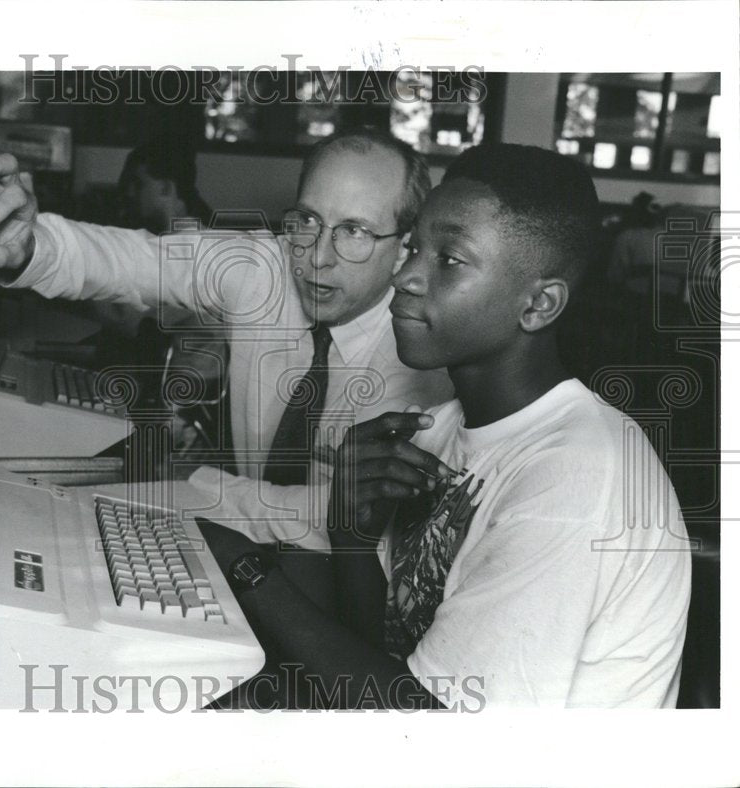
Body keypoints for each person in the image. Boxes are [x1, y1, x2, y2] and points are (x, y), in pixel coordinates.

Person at [196, 143, 692, 709]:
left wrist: (246, 569)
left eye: (448, 259)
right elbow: (383, 657)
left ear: (539, 304)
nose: (405, 277)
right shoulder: (437, 428)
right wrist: (351, 537)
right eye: (412, 249)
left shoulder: (576, 475)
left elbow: (436, 738)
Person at [0, 123, 453, 554]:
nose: (318, 256)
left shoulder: (424, 355)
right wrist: (29, 243)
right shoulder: (263, 266)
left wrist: (195, 493)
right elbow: (131, 260)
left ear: (406, 245)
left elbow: (343, 516)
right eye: (309, 221)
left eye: (356, 232)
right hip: (241, 547)